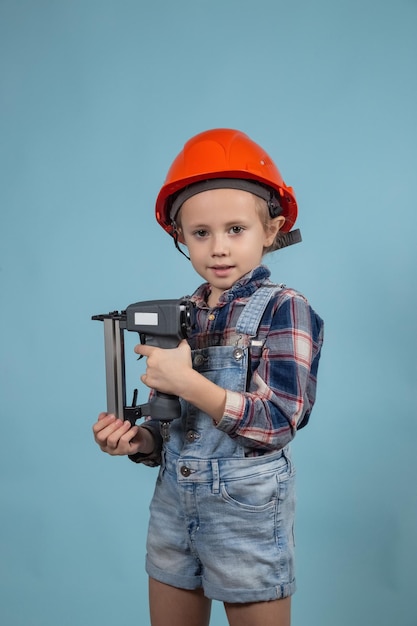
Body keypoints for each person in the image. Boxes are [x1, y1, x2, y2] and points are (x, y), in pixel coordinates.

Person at [92, 128, 324, 626]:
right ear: (180, 237)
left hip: (246, 511)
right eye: (201, 233)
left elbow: (278, 421)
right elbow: (173, 423)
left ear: (272, 228)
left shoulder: (285, 309)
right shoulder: (183, 314)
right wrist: (138, 441)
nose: (218, 248)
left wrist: (190, 382)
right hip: (174, 505)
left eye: (236, 229)